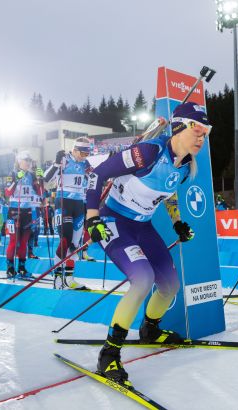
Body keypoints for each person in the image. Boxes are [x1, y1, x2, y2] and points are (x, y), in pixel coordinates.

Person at [83, 102, 208, 387]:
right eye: (196, 129)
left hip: (143, 226)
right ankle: (109, 354)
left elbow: (169, 193)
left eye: (206, 132)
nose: (202, 137)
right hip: (114, 221)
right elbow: (97, 174)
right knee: (142, 279)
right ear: (179, 127)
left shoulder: (186, 166)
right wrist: (92, 218)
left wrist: (177, 222)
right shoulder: (148, 152)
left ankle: (150, 329)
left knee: (170, 285)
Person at [44, 137, 94, 289]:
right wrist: (56, 163)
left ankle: (69, 278)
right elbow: (46, 178)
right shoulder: (64, 159)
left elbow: (95, 179)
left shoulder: (85, 163)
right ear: (75, 150)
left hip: (79, 205)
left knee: (75, 245)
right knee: (65, 241)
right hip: (63, 202)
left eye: (87, 154)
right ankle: (58, 278)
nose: (84, 157)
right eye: (83, 153)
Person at [4, 151, 44, 278]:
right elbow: (7, 193)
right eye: (26, 160)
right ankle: (10, 268)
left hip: (27, 212)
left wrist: (40, 179)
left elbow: (40, 193)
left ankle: (22, 268)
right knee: (14, 241)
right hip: (14, 212)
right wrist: (16, 180)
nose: (28, 163)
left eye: (29, 160)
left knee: (24, 242)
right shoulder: (12, 173)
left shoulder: (31, 175)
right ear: (19, 161)